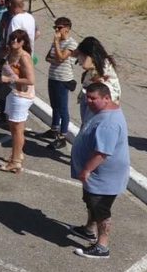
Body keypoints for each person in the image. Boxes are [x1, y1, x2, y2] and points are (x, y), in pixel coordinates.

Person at [69, 82, 130, 259]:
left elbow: (102, 153)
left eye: (93, 98)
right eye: (87, 97)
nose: (88, 101)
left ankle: (102, 246)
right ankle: (89, 230)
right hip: (96, 176)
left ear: (106, 98)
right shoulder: (100, 110)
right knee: (90, 202)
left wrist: (86, 170)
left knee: (101, 210)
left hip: (104, 177)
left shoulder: (109, 123)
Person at [0, 29, 36, 174]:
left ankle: (15, 162)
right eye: (12, 38)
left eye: (18, 40)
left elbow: (31, 80)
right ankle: (17, 154)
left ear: (24, 42)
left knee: (17, 130)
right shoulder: (11, 53)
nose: (14, 41)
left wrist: (9, 79)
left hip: (22, 96)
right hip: (12, 93)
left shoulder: (24, 57)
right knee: (13, 127)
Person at [46, 17, 79, 147]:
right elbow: (48, 57)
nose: (57, 30)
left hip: (63, 79)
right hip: (53, 76)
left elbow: (61, 57)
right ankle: (54, 129)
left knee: (62, 108)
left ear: (67, 28)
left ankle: (62, 136)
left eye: (59, 28)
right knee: (54, 105)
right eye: (55, 28)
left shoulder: (71, 43)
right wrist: (56, 47)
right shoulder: (57, 42)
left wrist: (56, 43)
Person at [76, 37, 121, 126]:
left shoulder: (105, 63)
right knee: (86, 124)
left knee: (91, 125)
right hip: (91, 98)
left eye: (85, 55)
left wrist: (89, 55)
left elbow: (85, 65)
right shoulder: (97, 63)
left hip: (103, 102)